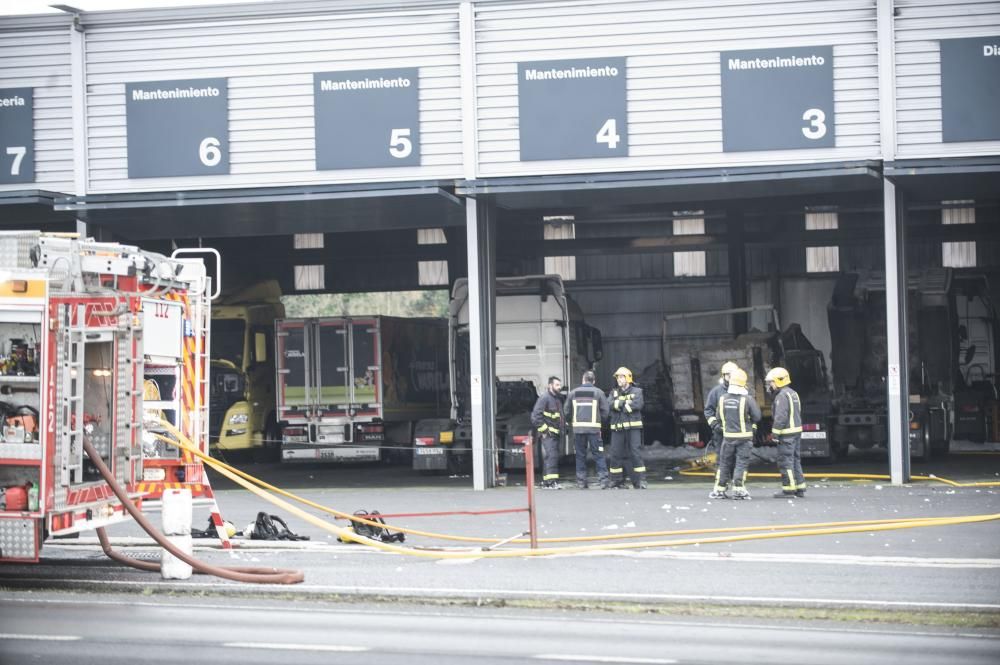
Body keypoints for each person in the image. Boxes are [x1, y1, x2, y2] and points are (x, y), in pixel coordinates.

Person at [710, 367, 761, 500]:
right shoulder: (747, 399)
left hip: (728, 438)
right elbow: (757, 417)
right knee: (741, 463)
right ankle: (738, 490)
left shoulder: (722, 399)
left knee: (724, 463)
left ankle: (719, 489)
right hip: (744, 438)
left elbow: (719, 418)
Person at [564, 370, 611, 489]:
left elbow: (567, 412)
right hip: (594, 430)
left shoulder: (573, 393)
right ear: (594, 381)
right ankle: (603, 480)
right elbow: (605, 412)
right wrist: (601, 423)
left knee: (580, 455)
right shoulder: (599, 393)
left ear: (583, 380)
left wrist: (572, 422)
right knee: (598, 455)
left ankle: (581, 481)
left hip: (578, 430)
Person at [766, 367, 806, 498]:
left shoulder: (781, 396)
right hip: (796, 433)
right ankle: (800, 488)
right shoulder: (794, 393)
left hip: (787, 435)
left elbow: (781, 417)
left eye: (771, 382)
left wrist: (775, 434)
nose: (770, 385)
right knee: (795, 460)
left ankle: (788, 490)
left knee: (785, 462)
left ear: (778, 381)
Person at [608, 366, 647, 489]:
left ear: (628, 378)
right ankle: (616, 481)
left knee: (635, 453)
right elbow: (609, 404)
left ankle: (640, 480)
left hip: (633, 429)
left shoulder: (637, 391)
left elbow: (638, 405)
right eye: (618, 377)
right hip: (617, 429)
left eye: (621, 377)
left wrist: (619, 405)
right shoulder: (613, 392)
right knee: (615, 454)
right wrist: (624, 404)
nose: (619, 379)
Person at [530, 376, 564, 489]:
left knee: (551, 457)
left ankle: (547, 481)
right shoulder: (544, 398)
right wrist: (545, 430)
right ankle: (551, 482)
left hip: (555, 434)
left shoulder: (556, 399)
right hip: (549, 435)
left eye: (560, 385)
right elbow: (535, 417)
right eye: (557, 385)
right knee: (551, 457)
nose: (559, 387)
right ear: (550, 386)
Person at [704, 361, 739, 454]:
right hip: (721, 433)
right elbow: (708, 411)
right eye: (728, 375)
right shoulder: (716, 392)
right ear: (723, 376)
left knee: (738, 459)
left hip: (738, 432)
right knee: (722, 457)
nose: (731, 378)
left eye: (733, 375)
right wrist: (715, 425)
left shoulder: (743, 390)